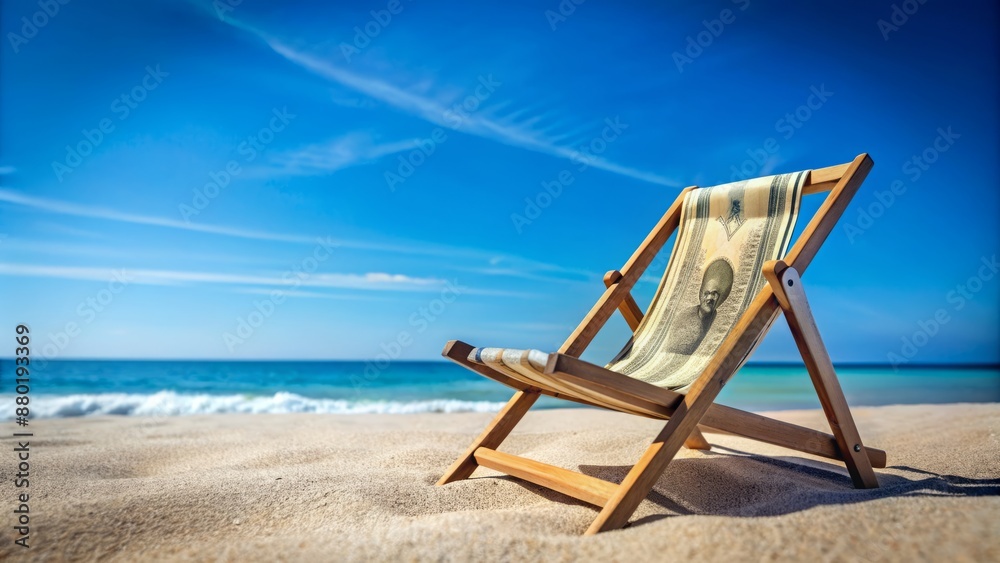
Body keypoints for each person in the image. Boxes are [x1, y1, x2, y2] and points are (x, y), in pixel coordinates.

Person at [664, 258, 734, 355]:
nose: (709, 298)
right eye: (707, 293)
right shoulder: (684, 319)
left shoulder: (717, 319)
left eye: (714, 294)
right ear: (700, 294)